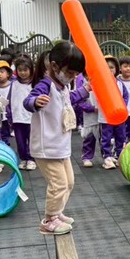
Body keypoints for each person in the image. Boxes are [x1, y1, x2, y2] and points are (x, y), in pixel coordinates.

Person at [23, 41, 91, 235]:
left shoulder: (63, 86)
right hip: (47, 147)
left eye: (76, 74)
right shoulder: (46, 85)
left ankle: (57, 212)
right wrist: (35, 102)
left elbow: (70, 99)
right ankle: (49, 219)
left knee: (69, 182)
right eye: (70, 72)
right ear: (54, 66)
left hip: (60, 146)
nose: (73, 77)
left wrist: (85, 90)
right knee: (59, 184)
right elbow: (27, 101)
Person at [8, 54, 35, 170]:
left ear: (31, 69)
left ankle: (31, 159)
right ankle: (23, 158)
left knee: (32, 140)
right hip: (17, 118)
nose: (23, 73)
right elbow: (10, 99)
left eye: (25, 70)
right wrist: (10, 115)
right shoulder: (14, 83)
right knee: (20, 142)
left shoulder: (34, 83)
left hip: (31, 118)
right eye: (20, 70)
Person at [97, 55, 124, 170]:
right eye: (106, 67)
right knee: (106, 137)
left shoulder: (120, 83)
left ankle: (118, 155)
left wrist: (123, 108)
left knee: (120, 136)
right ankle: (107, 157)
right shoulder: (100, 83)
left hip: (119, 116)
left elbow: (125, 97)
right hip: (106, 117)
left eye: (111, 67)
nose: (109, 70)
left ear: (116, 69)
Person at [0, 60, 13, 145]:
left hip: (8, 115)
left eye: (2, 72)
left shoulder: (13, 86)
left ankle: (6, 147)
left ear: (8, 74)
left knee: (6, 134)